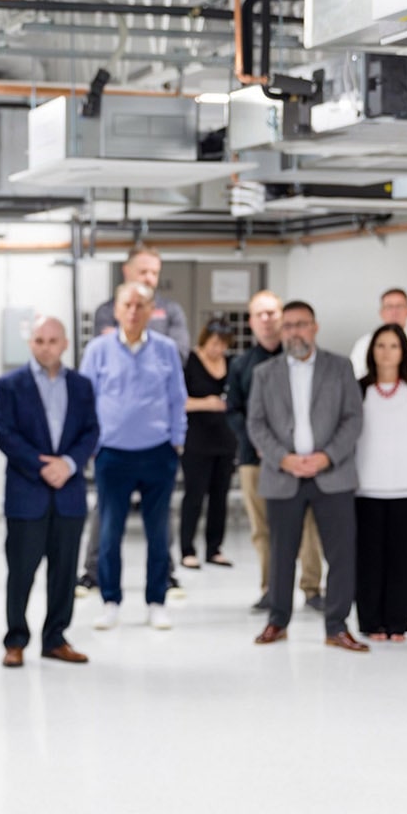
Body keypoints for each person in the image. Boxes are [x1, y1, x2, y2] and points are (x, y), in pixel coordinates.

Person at [247, 301, 368, 652]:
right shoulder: (264, 373)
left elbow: (353, 418)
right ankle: (277, 621)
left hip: (332, 473)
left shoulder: (340, 367)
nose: (294, 332)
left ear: (315, 328)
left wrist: (326, 456)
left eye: (301, 325)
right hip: (283, 474)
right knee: (282, 553)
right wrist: (283, 458)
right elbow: (256, 423)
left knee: (341, 554)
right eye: (288, 326)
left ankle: (337, 625)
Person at [78, 244, 191, 595]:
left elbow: (179, 368)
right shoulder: (100, 337)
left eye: (155, 274)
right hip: (112, 449)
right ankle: (95, 576)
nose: (149, 279)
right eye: (143, 272)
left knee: (159, 524)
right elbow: (87, 394)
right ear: (126, 273)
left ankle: (164, 581)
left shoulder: (169, 321)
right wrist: (92, 444)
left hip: (158, 447)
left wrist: (177, 439)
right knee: (108, 522)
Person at [0, 315, 99, 667]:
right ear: (31, 344)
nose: (46, 347)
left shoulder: (82, 386)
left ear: (65, 344)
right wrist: (43, 466)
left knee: (65, 571)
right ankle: (16, 640)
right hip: (27, 494)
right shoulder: (10, 385)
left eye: (53, 341)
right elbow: (4, 434)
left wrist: (68, 463)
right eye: (39, 340)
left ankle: (55, 638)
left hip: (68, 494)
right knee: (21, 570)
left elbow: (91, 431)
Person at [225, 290, 326, 611]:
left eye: (273, 313)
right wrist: (258, 442)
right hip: (256, 460)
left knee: (309, 526)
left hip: (304, 459)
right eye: (260, 314)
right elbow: (234, 411)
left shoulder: (301, 359)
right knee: (263, 529)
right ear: (251, 320)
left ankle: (312, 589)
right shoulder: (242, 365)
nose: (267, 320)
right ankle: (271, 588)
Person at [353, 324, 407, 641]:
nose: (387, 352)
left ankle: (398, 622)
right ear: (372, 351)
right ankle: (371, 622)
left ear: (404, 352)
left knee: (404, 561)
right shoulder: (359, 389)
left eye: (394, 346)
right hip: (366, 490)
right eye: (381, 345)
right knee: (369, 559)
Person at [179, 318, 237, 570]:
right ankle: (187, 548)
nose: (218, 349)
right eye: (214, 343)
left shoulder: (232, 363)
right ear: (205, 340)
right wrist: (207, 403)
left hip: (224, 440)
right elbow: (179, 400)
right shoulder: (190, 362)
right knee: (194, 495)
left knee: (219, 497)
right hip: (197, 439)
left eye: (223, 344)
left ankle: (214, 548)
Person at [348, 287, 407, 381]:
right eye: (389, 307)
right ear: (381, 312)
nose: (394, 312)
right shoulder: (364, 343)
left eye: (399, 306)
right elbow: (354, 377)